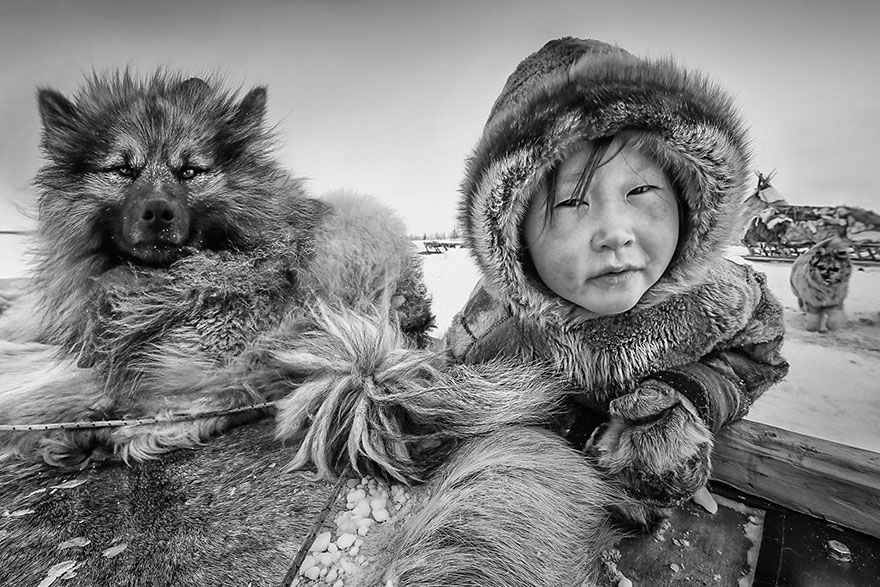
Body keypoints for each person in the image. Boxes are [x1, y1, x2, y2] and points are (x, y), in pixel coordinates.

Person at [442, 36, 790, 506]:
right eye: (571, 202)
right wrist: (583, 434)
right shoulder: (494, 329)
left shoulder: (721, 296)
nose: (614, 233)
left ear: (688, 203)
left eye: (640, 190)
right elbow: (456, 391)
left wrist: (693, 395)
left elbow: (757, 355)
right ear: (513, 234)